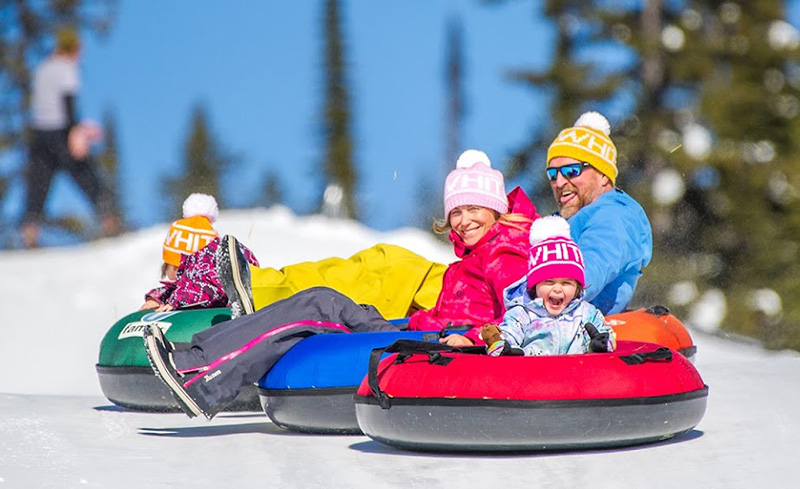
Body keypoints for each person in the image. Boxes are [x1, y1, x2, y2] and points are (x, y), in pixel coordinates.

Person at [142, 149, 538, 419]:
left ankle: (199, 374)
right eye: (456, 211)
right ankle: (199, 361)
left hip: (439, 346)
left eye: (474, 210)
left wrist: (472, 337)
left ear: (497, 210)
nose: (463, 221)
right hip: (417, 329)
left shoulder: (505, 254)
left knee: (320, 306)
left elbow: (521, 315)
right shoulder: (474, 256)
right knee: (321, 302)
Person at [544, 111, 652, 315]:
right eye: (552, 174)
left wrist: (534, 299)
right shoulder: (559, 223)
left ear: (603, 175)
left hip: (580, 335)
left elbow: (590, 268)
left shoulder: (613, 216)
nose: (559, 182)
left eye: (571, 171)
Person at [21, 27, 120, 248]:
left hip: (38, 134)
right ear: (73, 48)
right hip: (60, 131)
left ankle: (30, 233)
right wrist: (76, 131)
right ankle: (109, 221)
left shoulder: (43, 68)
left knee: (38, 184)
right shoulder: (67, 69)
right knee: (86, 174)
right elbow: (67, 105)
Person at [481, 215, 615, 356]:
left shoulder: (586, 313)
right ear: (534, 285)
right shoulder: (522, 314)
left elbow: (606, 334)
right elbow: (508, 335)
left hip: (578, 373)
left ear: (578, 287)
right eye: (549, 282)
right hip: (534, 374)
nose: (557, 289)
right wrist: (502, 348)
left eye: (566, 283)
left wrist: (602, 344)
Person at [140, 193, 259, 313]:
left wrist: (177, 301)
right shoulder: (186, 287)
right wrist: (157, 299)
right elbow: (175, 289)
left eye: (174, 267)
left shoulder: (206, 280)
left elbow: (204, 289)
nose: (172, 276)